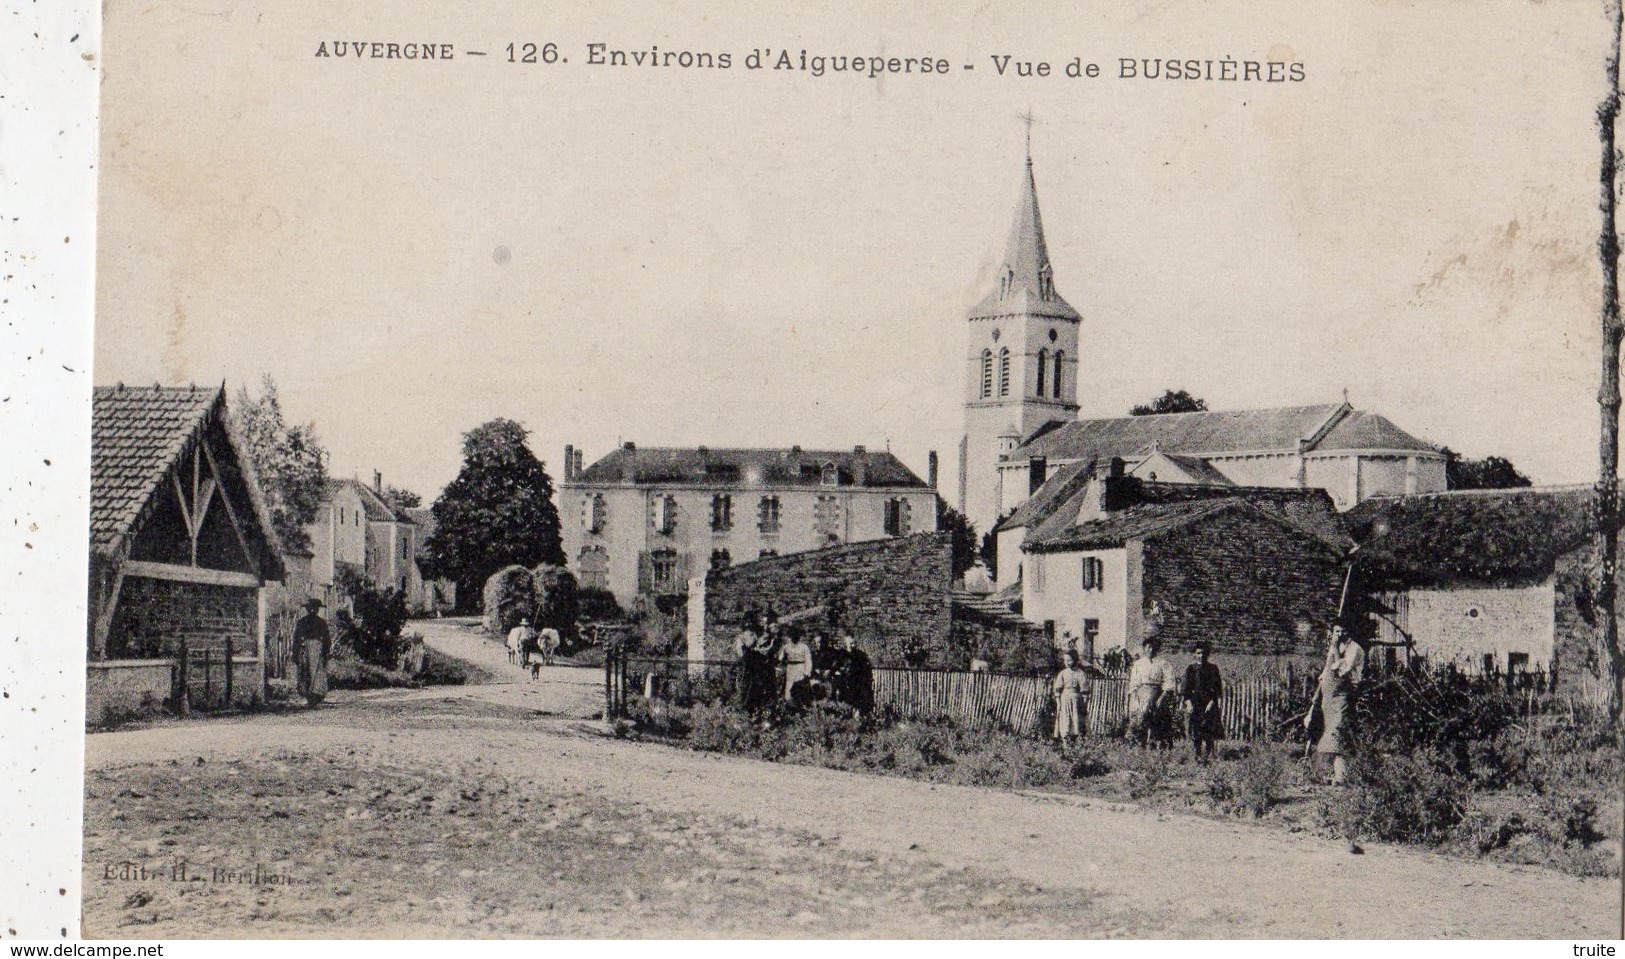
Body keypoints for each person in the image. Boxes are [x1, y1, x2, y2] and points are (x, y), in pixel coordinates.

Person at [1308, 625, 1366, 785]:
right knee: (1327, 733)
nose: (1340, 634)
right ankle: (1330, 774)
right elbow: (1327, 671)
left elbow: (1341, 670)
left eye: (1343, 630)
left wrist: (1333, 649)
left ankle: (1342, 776)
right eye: (1336, 631)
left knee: (1338, 732)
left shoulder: (1354, 649)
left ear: (1349, 631)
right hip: (1329, 697)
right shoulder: (1337, 647)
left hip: (1344, 694)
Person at [1127, 635, 1177, 747]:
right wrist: (1135, 697)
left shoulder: (1163, 663)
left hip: (1157, 693)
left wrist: (1162, 697)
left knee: (1156, 720)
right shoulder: (1138, 664)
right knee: (1140, 718)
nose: (1151, 650)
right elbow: (1134, 682)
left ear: (1157, 649)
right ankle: (1138, 745)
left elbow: (1169, 681)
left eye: (1154, 647)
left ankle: (1154, 744)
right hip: (1141, 693)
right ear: (1144, 648)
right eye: (1148, 647)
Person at [1181, 641, 1224, 761]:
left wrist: (1212, 703)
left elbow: (1217, 688)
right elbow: (1186, 689)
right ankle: (1197, 755)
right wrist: (1188, 703)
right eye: (1198, 653)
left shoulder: (1213, 669)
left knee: (1208, 729)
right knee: (1196, 730)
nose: (1201, 655)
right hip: (1195, 703)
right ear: (1194, 654)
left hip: (1209, 702)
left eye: (1204, 653)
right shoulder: (1190, 669)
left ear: (1207, 654)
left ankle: (1208, 754)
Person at [293, 598, 331, 707]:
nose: (313, 610)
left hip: (317, 650)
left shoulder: (321, 623)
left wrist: (325, 652)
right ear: (308, 609)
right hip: (305, 649)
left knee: (317, 673)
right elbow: (296, 639)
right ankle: (308, 695)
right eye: (311, 608)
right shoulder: (302, 622)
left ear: (318, 609)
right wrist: (296, 653)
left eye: (315, 608)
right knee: (305, 671)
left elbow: (327, 639)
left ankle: (315, 696)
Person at [1051, 649, 1089, 742]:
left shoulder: (1080, 673)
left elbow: (1085, 690)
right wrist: (1058, 702)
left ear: (1075, 660)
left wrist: (1084, 704)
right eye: (1065, 660)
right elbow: (1057, 689)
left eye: (1069, 660)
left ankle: (1078, 743)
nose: (1067, 662)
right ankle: (1065, 743)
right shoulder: (1063, 673)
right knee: (1065, 722)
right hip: (1065, 700)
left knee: (1076, 723)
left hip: (1076, 701)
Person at [833, 632, 874, 714]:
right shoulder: (840, 655)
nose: (852, 645)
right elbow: (835, 669)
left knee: (861, 699)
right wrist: (838, 673)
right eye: (849, 643)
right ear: (845, 643)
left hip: (857, 683)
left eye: (853, 643)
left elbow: (866, 670)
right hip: (844, 683)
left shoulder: (860, 655)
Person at [780, 627, 814, 702]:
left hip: (800, 668)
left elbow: (808, 660)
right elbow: (781, 658)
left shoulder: (804, 647)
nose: (795, 637)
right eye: (793, 636)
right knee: (789, 684)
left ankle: (800, 703)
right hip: (790, 668)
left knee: (800, 686)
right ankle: (788, 702)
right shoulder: (786, 646)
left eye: (797, 636)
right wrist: (782, 667)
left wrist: (807, 672)